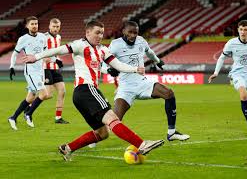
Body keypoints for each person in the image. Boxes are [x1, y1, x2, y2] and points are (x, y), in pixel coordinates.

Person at [23, 20, 164, 161]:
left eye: (102, 33)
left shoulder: (103, 50)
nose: (100, 36)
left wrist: (135, 69)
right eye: (97, 32)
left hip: (81, 96)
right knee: (112, 119)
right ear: (88, 32)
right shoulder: (80, 45)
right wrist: (35, 57)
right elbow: (58, 50)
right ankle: (142, 144)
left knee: (102, 133)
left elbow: (118, 65)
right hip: (86, 89)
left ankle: (67, 148)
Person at [107, 21, 190, 141]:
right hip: (126, 88)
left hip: (143, 83)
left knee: (168, 93)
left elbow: (149, 52)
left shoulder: (141, 41)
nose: (133, 35)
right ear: (123, 31)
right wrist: (109, 70)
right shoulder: (115, 44)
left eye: (135, 32)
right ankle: (95, 135)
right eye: (130, 32)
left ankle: (172, 133)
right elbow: (103, 60)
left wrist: (157, 60)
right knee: (113, 121)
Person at [208, 20, 247, 135]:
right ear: (238, 30)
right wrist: (216, 72)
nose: (243, 32)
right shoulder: (231, 43)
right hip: (237, 73)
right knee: (243, 94)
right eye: (241, 29)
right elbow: (221, 58)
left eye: (245, 29)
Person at [8, 16, 48, 130]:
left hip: (40, 70)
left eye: (36, 24)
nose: (35, 26)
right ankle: (29, 114)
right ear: (27, 26)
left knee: (30, 97)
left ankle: (13, 117)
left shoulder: (42, 37)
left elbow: (45, 51)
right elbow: (15, 53)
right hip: (31, 71)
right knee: (44, 94)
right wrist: (12, 67)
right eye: (32, 24)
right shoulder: (23, 39)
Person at [43, 18, 69, 124]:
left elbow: (56, 52)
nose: (55, 28)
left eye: (57, 26)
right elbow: (42, 55)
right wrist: (54, 60)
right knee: (47, 95)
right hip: (46, 68)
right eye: (53, 26)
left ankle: (58, 118)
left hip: (55, 68)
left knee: (62, 91)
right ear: (49, 26)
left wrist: (58, 60)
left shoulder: (58, 37)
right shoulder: (44, 37)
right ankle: (29, 105)